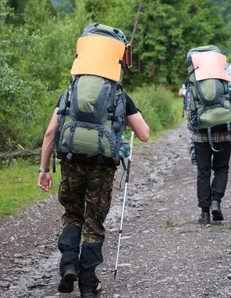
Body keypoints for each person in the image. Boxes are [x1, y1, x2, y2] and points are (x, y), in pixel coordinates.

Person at [37, 24, 150, 298]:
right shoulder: (119, 94)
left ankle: (67, 267)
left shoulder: (71, 90)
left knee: (72, 214)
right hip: (102, 167)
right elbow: (144, 134)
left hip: (71, 161)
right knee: (94, 222)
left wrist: (44, 169)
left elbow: (51, 132)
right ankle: (88, 285)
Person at [184, 48, 231, 225]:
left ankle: (204, 213)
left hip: (200, 138)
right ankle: (216, 202)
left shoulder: (194, 85)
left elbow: (189, 114)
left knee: (203, 173)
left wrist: (199, 125)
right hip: (224, 135)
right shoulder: (227, 82)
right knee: (221, 169)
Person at [179, 84, 197, 166]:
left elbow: (180, 93)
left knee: (192, 132)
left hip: (191, 109)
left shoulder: (189, 79)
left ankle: (194, 155)